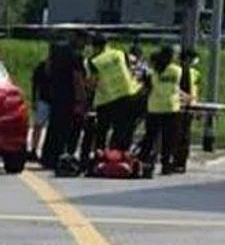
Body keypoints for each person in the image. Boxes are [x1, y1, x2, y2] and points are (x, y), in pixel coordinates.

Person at [86, 33, 141, 156]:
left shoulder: (94, 61)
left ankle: (100, 156)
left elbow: (93, 83)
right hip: (127, 94)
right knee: (121, 129)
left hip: (107, 99)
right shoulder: (120, 54)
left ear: (95, 47)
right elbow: (130, 70)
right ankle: (120, 156)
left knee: (102, 130)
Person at [41, 30, 89, 169]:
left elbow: (48, 70)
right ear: (79, 40)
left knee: (53, 127)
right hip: (70, 97)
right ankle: (60, 157)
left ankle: (47, 157)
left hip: (55, 94)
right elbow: (77, 79)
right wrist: (82, 98)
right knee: (66, 129)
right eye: (84, 41)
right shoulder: (76, 56)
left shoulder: (56, 51)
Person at [140, 45, 185, 176]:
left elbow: (147, 87)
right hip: (171, 107)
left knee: (150, 137)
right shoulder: (177, 70)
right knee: (169, 139)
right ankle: (166, 165)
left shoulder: (153, 71)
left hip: (154, 106)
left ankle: (146, 162)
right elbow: (175, 87)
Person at [171, 49, 202, 173]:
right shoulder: (177, 72)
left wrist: (196, 107)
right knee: (176, 135)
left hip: (190, 107)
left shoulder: (194, 73)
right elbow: (174, 89)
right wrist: (185, 98)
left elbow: (195, 90)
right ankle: (174, 161)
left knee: (185, 136)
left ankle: (181, 163)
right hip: (177, 107)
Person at [29, 53, 51, 162]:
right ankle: (33, 149)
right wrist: (34, 100)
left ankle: (47, 151)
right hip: (43, 100)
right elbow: (35, 84)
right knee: (38, 126)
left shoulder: (60, 66)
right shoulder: (41, 66)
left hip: (56, 101)